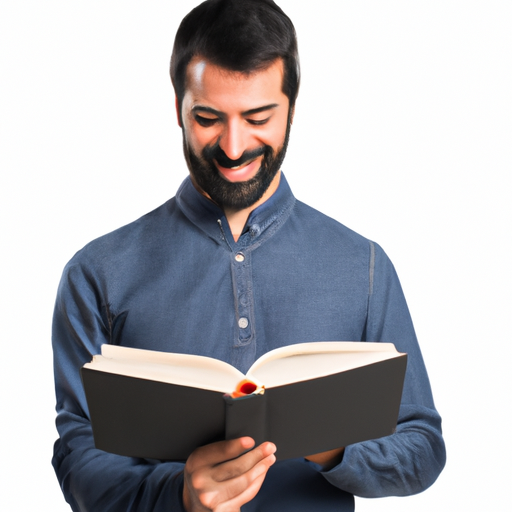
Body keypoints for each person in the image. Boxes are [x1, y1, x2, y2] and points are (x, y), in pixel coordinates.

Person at [51, 1, 446, 511]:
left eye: (258, 117)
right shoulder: (98, 272)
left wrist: (331, 445)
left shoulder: (364, 267)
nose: (234, 147)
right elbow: (77, 453)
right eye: (209, 118)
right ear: (178, 109)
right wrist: (179, 496)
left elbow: (423, 449)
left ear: (292, 109)